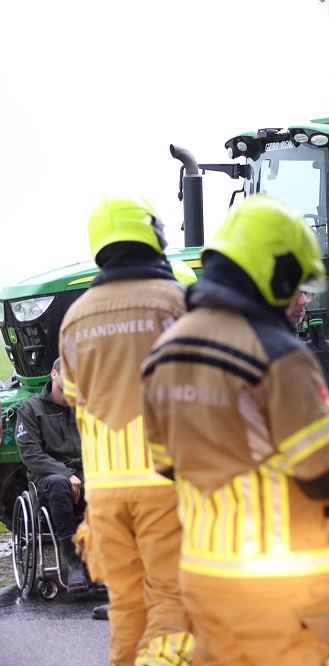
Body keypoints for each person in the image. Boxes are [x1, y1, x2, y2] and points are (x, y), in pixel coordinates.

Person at [141, 194, 329, 666]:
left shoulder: (164, 352)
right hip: (281, 589)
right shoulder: (278, 355)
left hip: (204, 579)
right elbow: (327, 476)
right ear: (275, 272)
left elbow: (166, 464)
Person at [59, 194, 194, 665]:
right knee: (172, 606)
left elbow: (75, 398)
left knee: (127, 610)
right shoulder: (176, 302)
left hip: (105, 494)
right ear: (151, 234)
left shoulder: (75, 317)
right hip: (165, 481)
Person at [14, 357, 89, 593]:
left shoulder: (85, 408)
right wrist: (66, 474)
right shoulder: (30, 409)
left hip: (85, 474)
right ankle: (74, 564)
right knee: (59, 484)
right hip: (47, 480)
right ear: (54, 374)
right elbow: (31, 455)